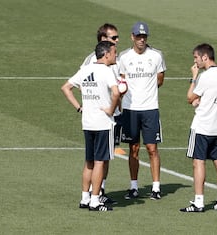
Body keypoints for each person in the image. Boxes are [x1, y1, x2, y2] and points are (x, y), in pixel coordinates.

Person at [61, 41, 120, 211]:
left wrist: (79, 108)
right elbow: (116, 92)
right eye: (114, 52)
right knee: (100, 162)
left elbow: (66, 88)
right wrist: (111, 109)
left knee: (89, 161)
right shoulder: (107, 72)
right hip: (103, 123)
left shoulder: (85, 70)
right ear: (106, 54)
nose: (116, 55)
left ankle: (84, 197)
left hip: (87, 122)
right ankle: (95, 200)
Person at [118, 22, 167, 200]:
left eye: (144, 37)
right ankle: (134, 186)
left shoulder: (156, 55)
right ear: (132, 37)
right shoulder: (123, 57)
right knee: (134, 148)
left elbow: (160, 79)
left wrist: (146, 90)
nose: (141, 40)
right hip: (130, 109)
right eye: (138, 37)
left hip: (150, 109)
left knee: (152, 148)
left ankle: (156, 187)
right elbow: (121, 81)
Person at [180, 43, 217, 212]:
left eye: (196, 58)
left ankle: (199, 202)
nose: (195, 61)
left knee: (198, 162)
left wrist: (194, 77)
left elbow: (189, 97)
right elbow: (212, 96)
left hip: (202, 127)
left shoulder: (205, 76)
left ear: (204, 57)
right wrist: (199, 102)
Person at [81, 23, 124, 204]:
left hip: (101, 117)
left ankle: (95, 192)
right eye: (113, 38)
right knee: (100, 159)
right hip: (103, 117)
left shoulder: (113, 59)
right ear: (103, 40)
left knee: (100, 158)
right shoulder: (95, 62)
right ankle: (94, 196)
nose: (117, 41)